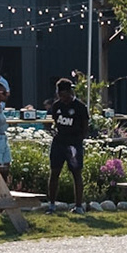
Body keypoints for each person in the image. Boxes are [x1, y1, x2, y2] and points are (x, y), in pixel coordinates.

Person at [46, 77, 91, 214]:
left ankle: (78, 206)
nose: (63, 98)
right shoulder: (57, 106)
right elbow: (54, 122)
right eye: (60, 95)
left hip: (73, 144)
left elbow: (85, 127)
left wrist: (78, 140)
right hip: (59, 142)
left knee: (76, 173)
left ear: (69, 92)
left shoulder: (80, 107)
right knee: (54, 172)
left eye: (65, 95)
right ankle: (52, 205)